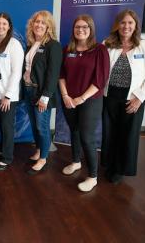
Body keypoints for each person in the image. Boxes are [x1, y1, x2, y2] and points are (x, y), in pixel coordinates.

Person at [101, 9, 145, 184]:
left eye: (130, 23)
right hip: (109, 96)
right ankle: (109, 164)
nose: (126, 26)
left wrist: (139, 98)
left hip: (132, 98)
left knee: (128, 135)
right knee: (110, 133)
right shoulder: (107, 44)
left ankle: (120, 169)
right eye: (123, 23)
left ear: (135, 25)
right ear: (117, 25)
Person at [59, 15, 110, 192]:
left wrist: (81, 98)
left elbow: (100, 80)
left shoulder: (100, 50)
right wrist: (66, 96)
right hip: (69, 100)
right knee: (74, 131)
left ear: (91, 29)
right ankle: (75, 162)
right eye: (77, 27)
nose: (80, 30)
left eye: (85, 27)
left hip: (90, 101)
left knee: (86, 138)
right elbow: (62, 75)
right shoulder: (67, 50)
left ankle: (93, 176)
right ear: (73, 30)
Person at [22, 11, 62, 175]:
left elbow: (53, 75)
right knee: (34, 125)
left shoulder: (53, 45)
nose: (39, 25)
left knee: (42, 126)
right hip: (29, 90)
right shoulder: (31, 44)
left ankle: (43, 158)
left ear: (48, 27)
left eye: (43, 23)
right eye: (36, 22)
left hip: (42, 93)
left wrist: (45, 97)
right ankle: (39, 150)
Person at [0, 12, 24, 171]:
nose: (0, 26)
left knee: (7, 126)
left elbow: (17, 72)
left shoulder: (14, 44)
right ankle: (4, 151)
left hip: (7, 96)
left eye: (4, 24)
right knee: (1, 125)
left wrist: (8, 96)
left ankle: (8, 157)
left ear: (9, 26)